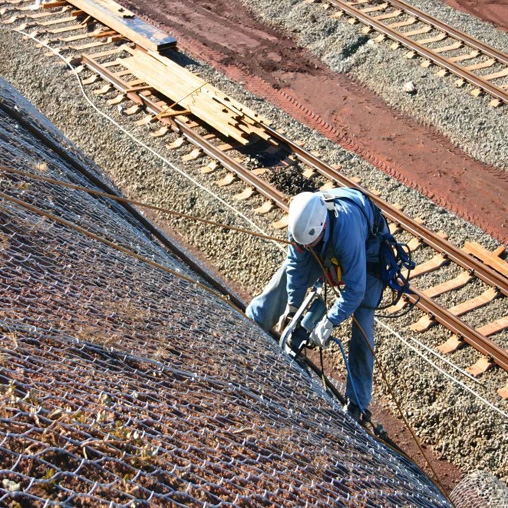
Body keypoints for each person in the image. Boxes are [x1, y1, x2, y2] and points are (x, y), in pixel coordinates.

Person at [246, 187, 388, 423]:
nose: (306, 247)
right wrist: (293, 308)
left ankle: (358, 405)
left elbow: (355, 290)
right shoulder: (301, 228)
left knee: (362, 323)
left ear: (322, 228)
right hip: (325, 242)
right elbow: (296, 266)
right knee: (284, 275)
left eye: (312, 243)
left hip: (369, 253)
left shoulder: (346, 230)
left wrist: (330, 321)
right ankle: (253, 322)